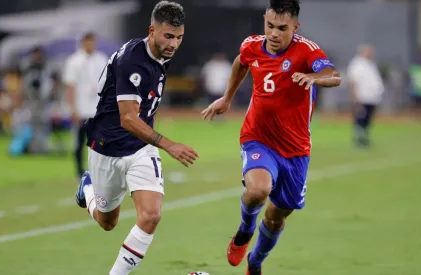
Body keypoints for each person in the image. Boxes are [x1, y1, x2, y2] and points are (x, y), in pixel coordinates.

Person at [201, 0, 341, 274]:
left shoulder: (307, 51)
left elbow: (334, 76)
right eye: (269, 25)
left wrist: (314, 78)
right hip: (258, 137)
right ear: (264, 20)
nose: (274, 33)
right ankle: (245, 230)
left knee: (277, 218)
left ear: (295, 27)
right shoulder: (252, 45)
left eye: (282, 28)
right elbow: (241, 63)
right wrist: (227, 99)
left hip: (295, 150)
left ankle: (255, 262)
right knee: (258, 190)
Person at [74, 1, 198, 274]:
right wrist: (169, 144)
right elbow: (128, 118)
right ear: (151, 30)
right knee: (107, 223)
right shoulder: (133, 60)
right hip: (106, 146)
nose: (174, 44)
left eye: (179, 38)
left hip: (141, 148)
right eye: (168, 36)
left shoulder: (160, 53)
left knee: (151, 215)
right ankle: (88, 188)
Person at [63, 32, 108, 178]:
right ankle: (79, 169)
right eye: (88, 42)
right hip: (81, 108)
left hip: (97, 108)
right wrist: (72, 109)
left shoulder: (101, 59)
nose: (91, 45)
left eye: (93, 41)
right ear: (83, 43)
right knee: (79, 141)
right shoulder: (74, 61)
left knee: (100, 140)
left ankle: (99, 169)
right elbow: (71, 87)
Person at [347, 44, 384, 148]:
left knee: (368, 119)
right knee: (360, 118)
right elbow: (353, 81)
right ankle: (358, 139)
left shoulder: (370, 64)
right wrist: (355, 96)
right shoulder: (357, 64)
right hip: (362, 97)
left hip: (372, 97)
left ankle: (365, 138)